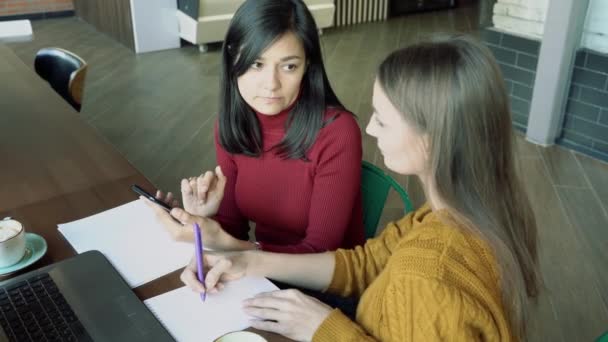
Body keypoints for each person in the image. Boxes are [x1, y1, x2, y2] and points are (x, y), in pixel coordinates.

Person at [176, 35, 542, 341]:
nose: (370, 130)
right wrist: (248, 261)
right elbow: (365, 264)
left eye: (382, 119)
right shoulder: (457, 211)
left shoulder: (428, 278)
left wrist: (323, 328)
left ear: (434, 137)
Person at [150, 0, 365, 254]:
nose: (271, 84)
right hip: (259, 270)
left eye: (289, 66)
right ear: (233, 61)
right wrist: (202, 221)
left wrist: (235, 247)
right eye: (256, 64)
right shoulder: (232, 126)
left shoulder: (337, 132)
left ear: (307, 66)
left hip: (327, 283)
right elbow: (232, 228)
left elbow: (320, 252)